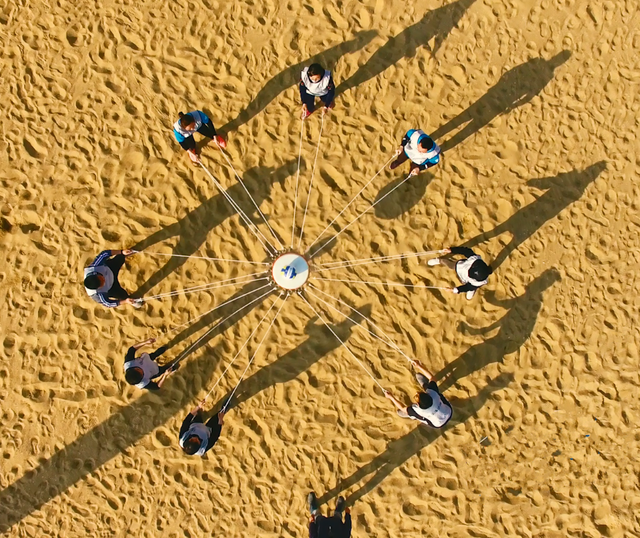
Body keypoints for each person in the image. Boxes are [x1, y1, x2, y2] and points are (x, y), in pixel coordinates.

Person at [384, 359, 453, 429]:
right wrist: (419, 366)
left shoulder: (417, 410)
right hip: (449, 412)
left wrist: (391, 397)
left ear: (418, 405)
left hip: (438, 424)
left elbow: (402, 408)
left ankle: (411, 415)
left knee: (414, 415)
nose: (416, 392)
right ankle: (425, 385)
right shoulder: (433, 395)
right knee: (437, 393)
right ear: (428, 395)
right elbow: (432, 378)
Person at [428, 246, 493, 300]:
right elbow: (465, 251)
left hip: (465, 279)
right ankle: (439, 260)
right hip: (459, 265)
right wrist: (452, 250)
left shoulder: (477, 283)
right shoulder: (474, 259)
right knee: (449, 264)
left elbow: (467, 287)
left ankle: (472, 290)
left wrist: (455, 290)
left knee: (470, 286)